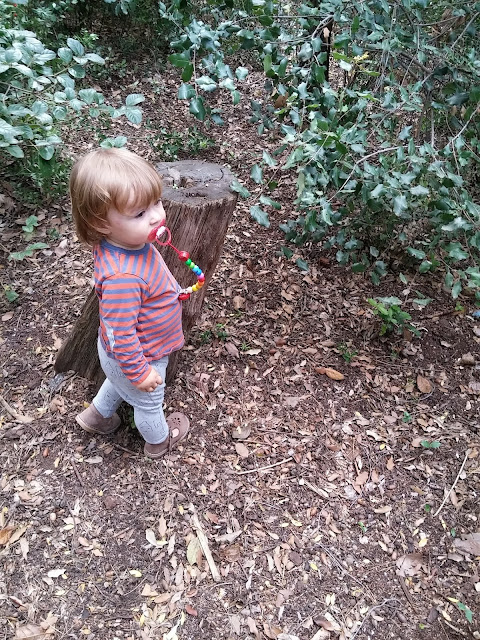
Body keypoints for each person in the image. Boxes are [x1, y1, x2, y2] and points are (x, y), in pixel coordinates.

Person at [69, 147, 190, 458]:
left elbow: (152, 276)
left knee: (117, 381)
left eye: (157, 202)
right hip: (140, 355)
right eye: (139, 213)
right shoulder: (123, 278)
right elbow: (121, 334)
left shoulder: (127, 242)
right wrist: (140, 373)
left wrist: (172, 291)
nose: (156, 216)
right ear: (101, 223)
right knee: (148, 403)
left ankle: (96, 416)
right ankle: (159, 441)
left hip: (120, 358)